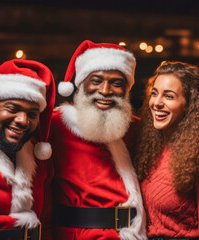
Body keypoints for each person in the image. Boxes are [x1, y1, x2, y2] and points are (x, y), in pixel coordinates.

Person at [49, 40, 146, 240]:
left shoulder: (137, 128)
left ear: (126, 89)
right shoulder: (54, 126)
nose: (105, 90)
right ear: (82, 83)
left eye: (116, 83)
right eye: (96, 80)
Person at [0, 59, 56, 240]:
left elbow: (46, 220)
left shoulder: (37, 155)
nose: (23, 120)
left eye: (32, 114)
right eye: (12, 108)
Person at [135, 61, 199, 239]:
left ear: (189, 105)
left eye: (169, 96)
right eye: (154, 94)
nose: (157, 103)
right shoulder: (149, 150)